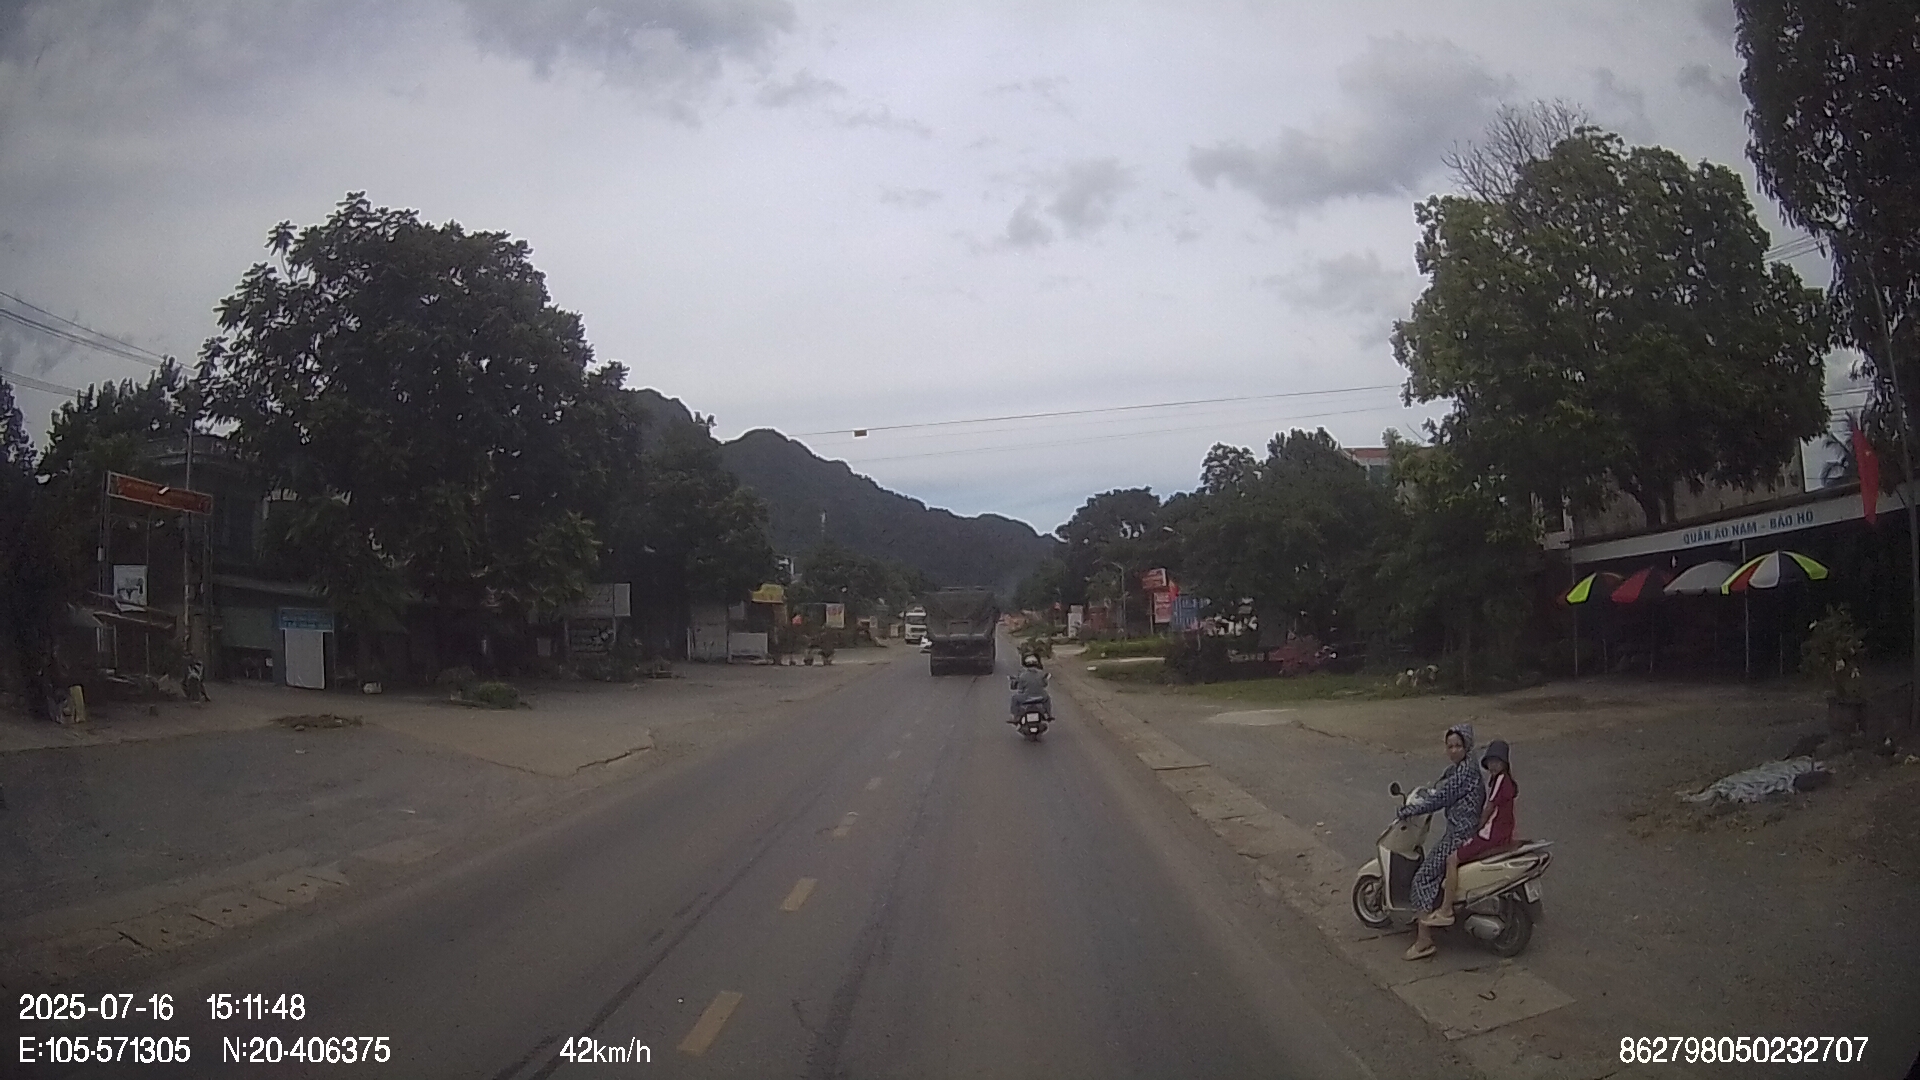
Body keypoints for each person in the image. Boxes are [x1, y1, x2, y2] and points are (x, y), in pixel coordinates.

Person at [1396, 722, 1484, 960]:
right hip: (1465, 831)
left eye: (1458, 746)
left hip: (1459, 835)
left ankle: (1424, 940)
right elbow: (1442, 786)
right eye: (1450, 746)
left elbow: (1441, 799)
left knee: (1423, 877)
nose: (1453, 750)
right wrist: (1428, 791)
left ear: (1467, 746)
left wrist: (1408, 810)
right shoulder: (1465, 767)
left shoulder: (1464, 773)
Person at [1008, 653, 1051, 723]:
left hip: (1027, 698)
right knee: (1047, 698)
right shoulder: (1041, 674)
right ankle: (1048, 714)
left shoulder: (1022, 675)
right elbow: (1044, 685)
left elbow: (1020, 689)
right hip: (1040, 697)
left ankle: (1014, 716)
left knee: (1014, 698)